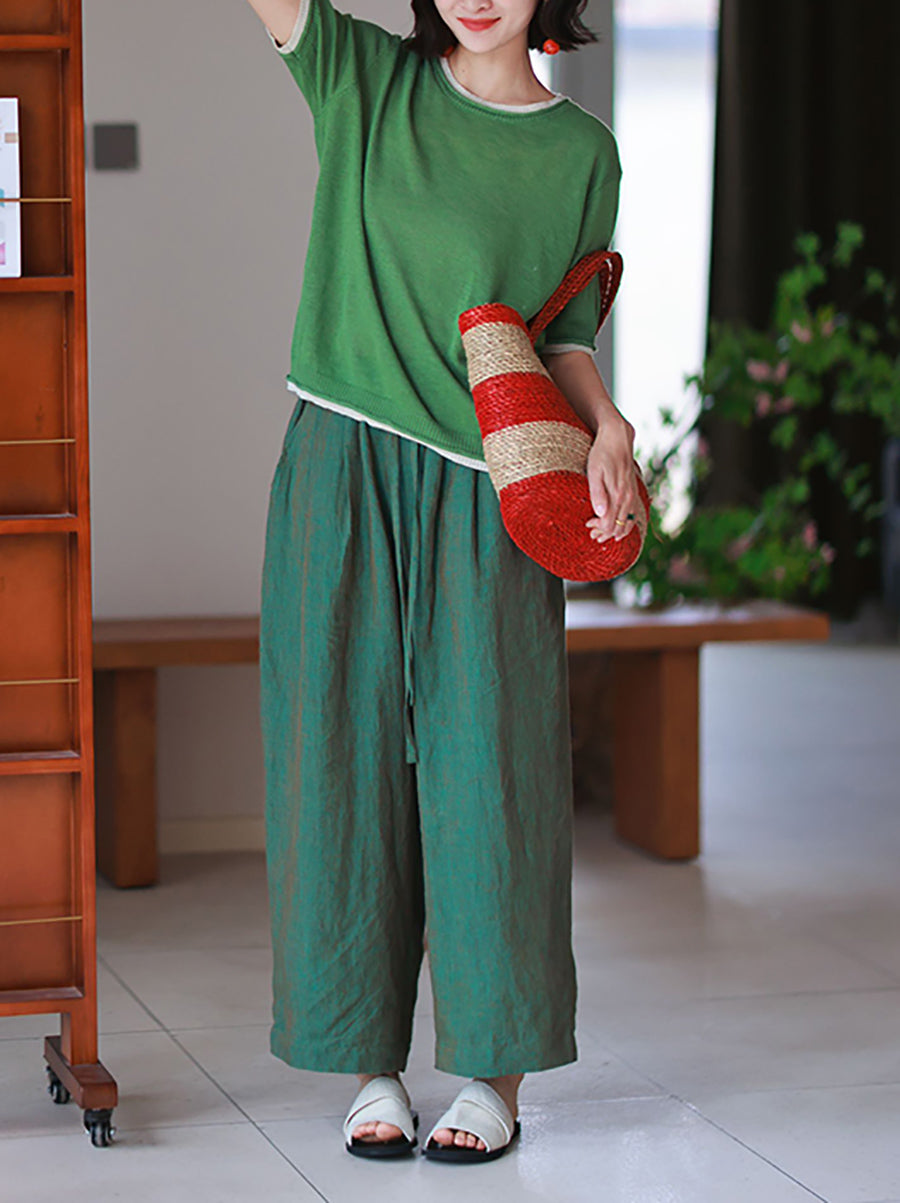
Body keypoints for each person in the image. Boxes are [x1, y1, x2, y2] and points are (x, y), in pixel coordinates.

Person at [245, 0, 639, 1163]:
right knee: (338, 757)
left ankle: (494, 1077)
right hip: (342, 458)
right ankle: (367, 1063)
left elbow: (561, 337)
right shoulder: (365, 80)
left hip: (490, 490)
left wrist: (610, 427)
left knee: (496, 767)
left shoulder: (581, 152)